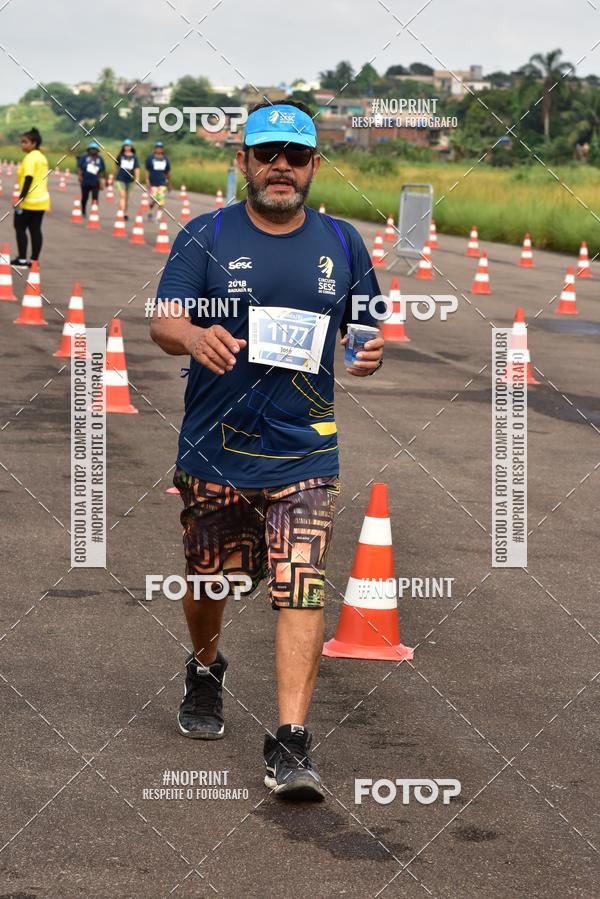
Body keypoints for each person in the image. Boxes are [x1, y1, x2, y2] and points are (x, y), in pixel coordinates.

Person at [150, 100, 383, 801]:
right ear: (243, 162)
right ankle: (205, 664)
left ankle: (290, 741)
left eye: (297, 154)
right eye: (267, 152)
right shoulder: (204, 235)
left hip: (305, 455)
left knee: (300, 586)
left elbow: (367, 326)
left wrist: (369, 349)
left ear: (314, 165)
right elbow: (164, 319)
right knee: (212, 583)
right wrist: (192, 338)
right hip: (215, 454)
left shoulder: (343, 244)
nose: (282, 165)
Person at [12, 127, 50, 267]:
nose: (22, 145)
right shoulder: (42, 157)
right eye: (22, 142)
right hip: (42, 199)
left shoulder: (29, 158)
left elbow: (28, 178)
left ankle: (22, 259)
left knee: (19, 227)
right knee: (35, 229)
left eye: (25, 142)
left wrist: (21, 198)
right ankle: (34, 260)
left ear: (34, 143)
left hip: (29, 200)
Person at [77, 140, 106, 216]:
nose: (93, 150)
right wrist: (80, 176)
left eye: (94, 149)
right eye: (91, 149)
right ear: (88, 150)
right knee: (84, 197)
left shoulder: (100, 159)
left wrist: (103, 180)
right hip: (85, 181)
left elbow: (103, 170)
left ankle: (94, 212)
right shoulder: (84, 157)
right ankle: (83, 211)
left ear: (97, 150)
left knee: (95, 197)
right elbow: (79, 167)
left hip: (95, 181)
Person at [145, 140, 171, 219]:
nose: (159, 149)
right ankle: (150, 209)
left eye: (160, 148)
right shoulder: (150, 158)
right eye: (157, 148)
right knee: (154, 198)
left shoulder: (166, 159)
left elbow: (168, 172)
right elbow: (147, 170)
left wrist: (169, 183)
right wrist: (147, 180)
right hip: (153, 182)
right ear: (155, 149)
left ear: (163, 149)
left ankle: (158, 217)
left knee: (161, 199)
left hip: (162, 182)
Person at [114, 139, 139, 220]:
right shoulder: (120, 156)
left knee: (126, 197)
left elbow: (136, 168)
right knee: (122, 196)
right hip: (120, 178)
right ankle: (121, 213)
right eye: (125, 146)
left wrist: (137, 178)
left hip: (130, 180)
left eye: (128, 146)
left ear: (131, 147)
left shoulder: (134, 157)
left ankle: (125, 212)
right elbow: (116, 167)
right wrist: (113, 176)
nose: (127, 147)